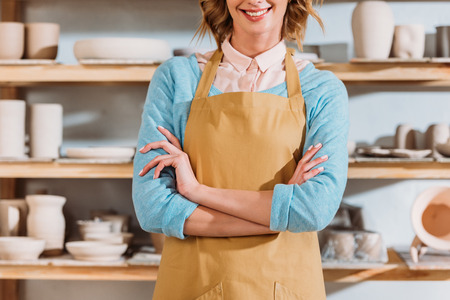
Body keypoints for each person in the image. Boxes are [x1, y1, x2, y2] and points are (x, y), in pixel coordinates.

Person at [133, 0, 348, 299]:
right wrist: (280, 215)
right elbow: (152, 208)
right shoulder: (176, 79)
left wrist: (197, 192)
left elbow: (314, 208)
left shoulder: (322, 90)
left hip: (284, 288)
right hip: (193, 285)